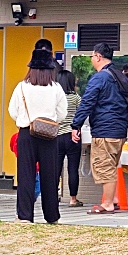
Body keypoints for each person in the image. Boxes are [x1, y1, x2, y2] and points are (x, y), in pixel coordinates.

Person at [71, 42, 128, 214]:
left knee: (104, 167)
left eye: (92, 56)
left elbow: (87, 102)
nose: (92, 59)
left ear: (98, 56)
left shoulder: (100, 78)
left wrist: (76, 125)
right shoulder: (120, 76)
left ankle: (107, 203)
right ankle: (113, 200)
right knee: (111, 165)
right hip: (120, 130)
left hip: (104, 130)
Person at [7, 47, 67, 224]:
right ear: (50, 69)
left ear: (31, 68)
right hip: (49, 135)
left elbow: (12, 111)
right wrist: (49, 120)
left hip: (27, 133)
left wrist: (25, 119)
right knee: (50, 175)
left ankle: (25, 215)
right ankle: (52, 216)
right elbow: (62, 113)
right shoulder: (56, 88)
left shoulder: (21, 87)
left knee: (26, 175)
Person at [56, 69, 82, 206]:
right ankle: (73, 199)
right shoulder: (76, 98)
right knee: (73, 169)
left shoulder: (55, 97)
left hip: (57, 137)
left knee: (55, 168)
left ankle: (53, 197)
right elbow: (82, 114)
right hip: (73, 136)